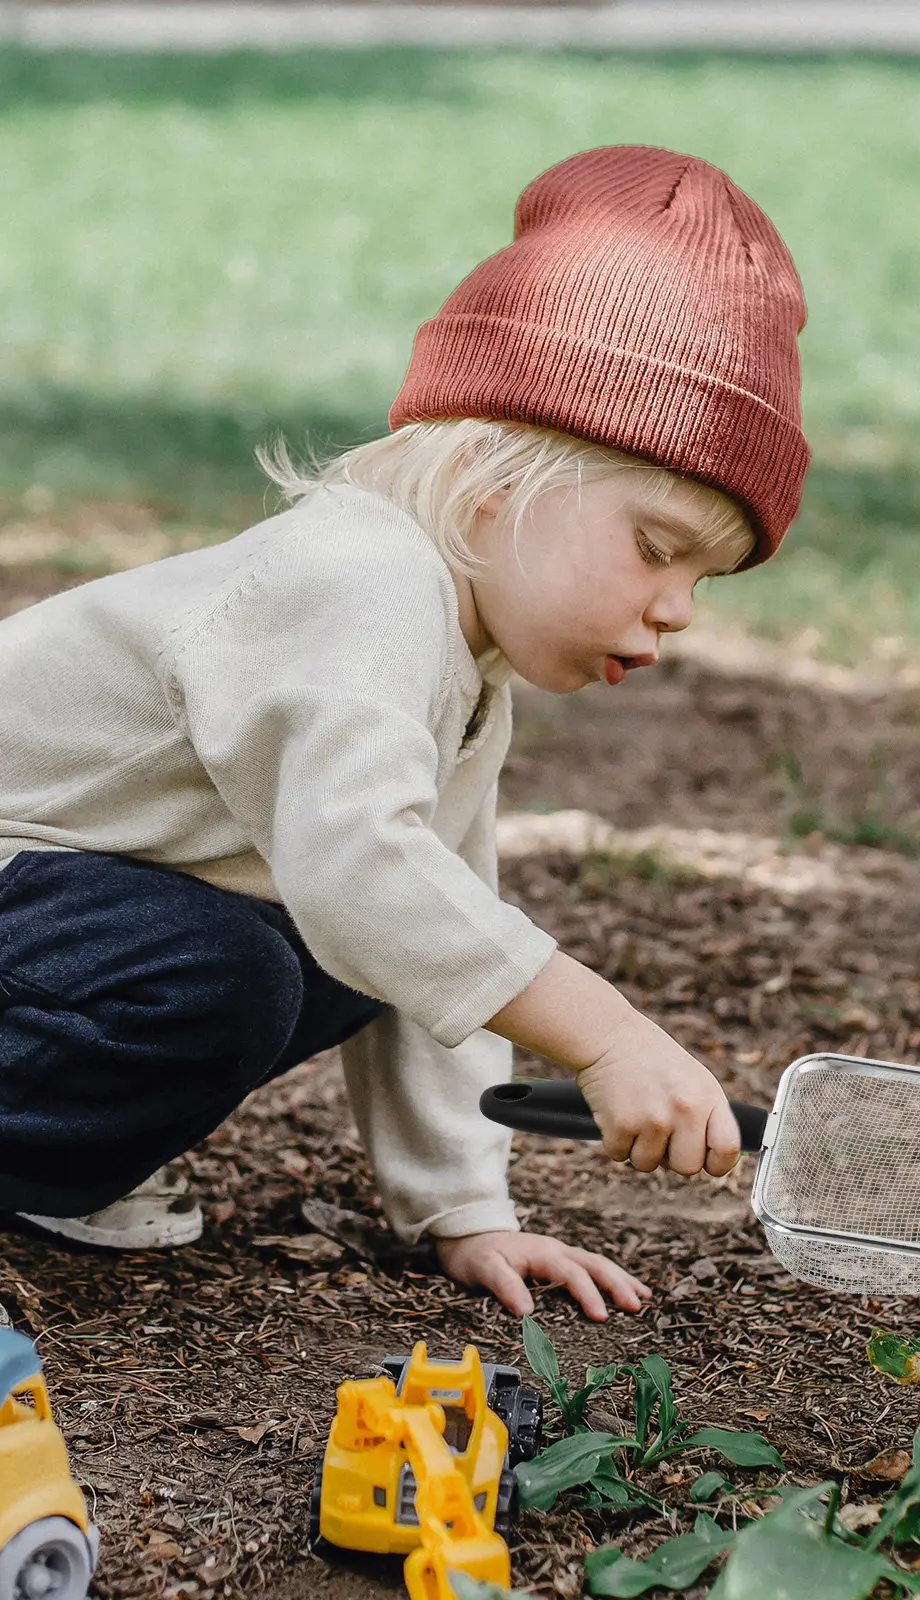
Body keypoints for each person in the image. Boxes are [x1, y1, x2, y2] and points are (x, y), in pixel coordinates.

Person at [0, 145, 808, 1322]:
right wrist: (606, 1034)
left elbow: (435, 930)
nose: (677, 607)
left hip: (47, 910)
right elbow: (364, 873)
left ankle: (47, 1161)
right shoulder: (358, 577)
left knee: (334, 956)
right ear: (493, 481)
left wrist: (465, 1208)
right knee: (229, 971)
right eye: (656, 545)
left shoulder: (463, 666)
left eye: (707, 579)